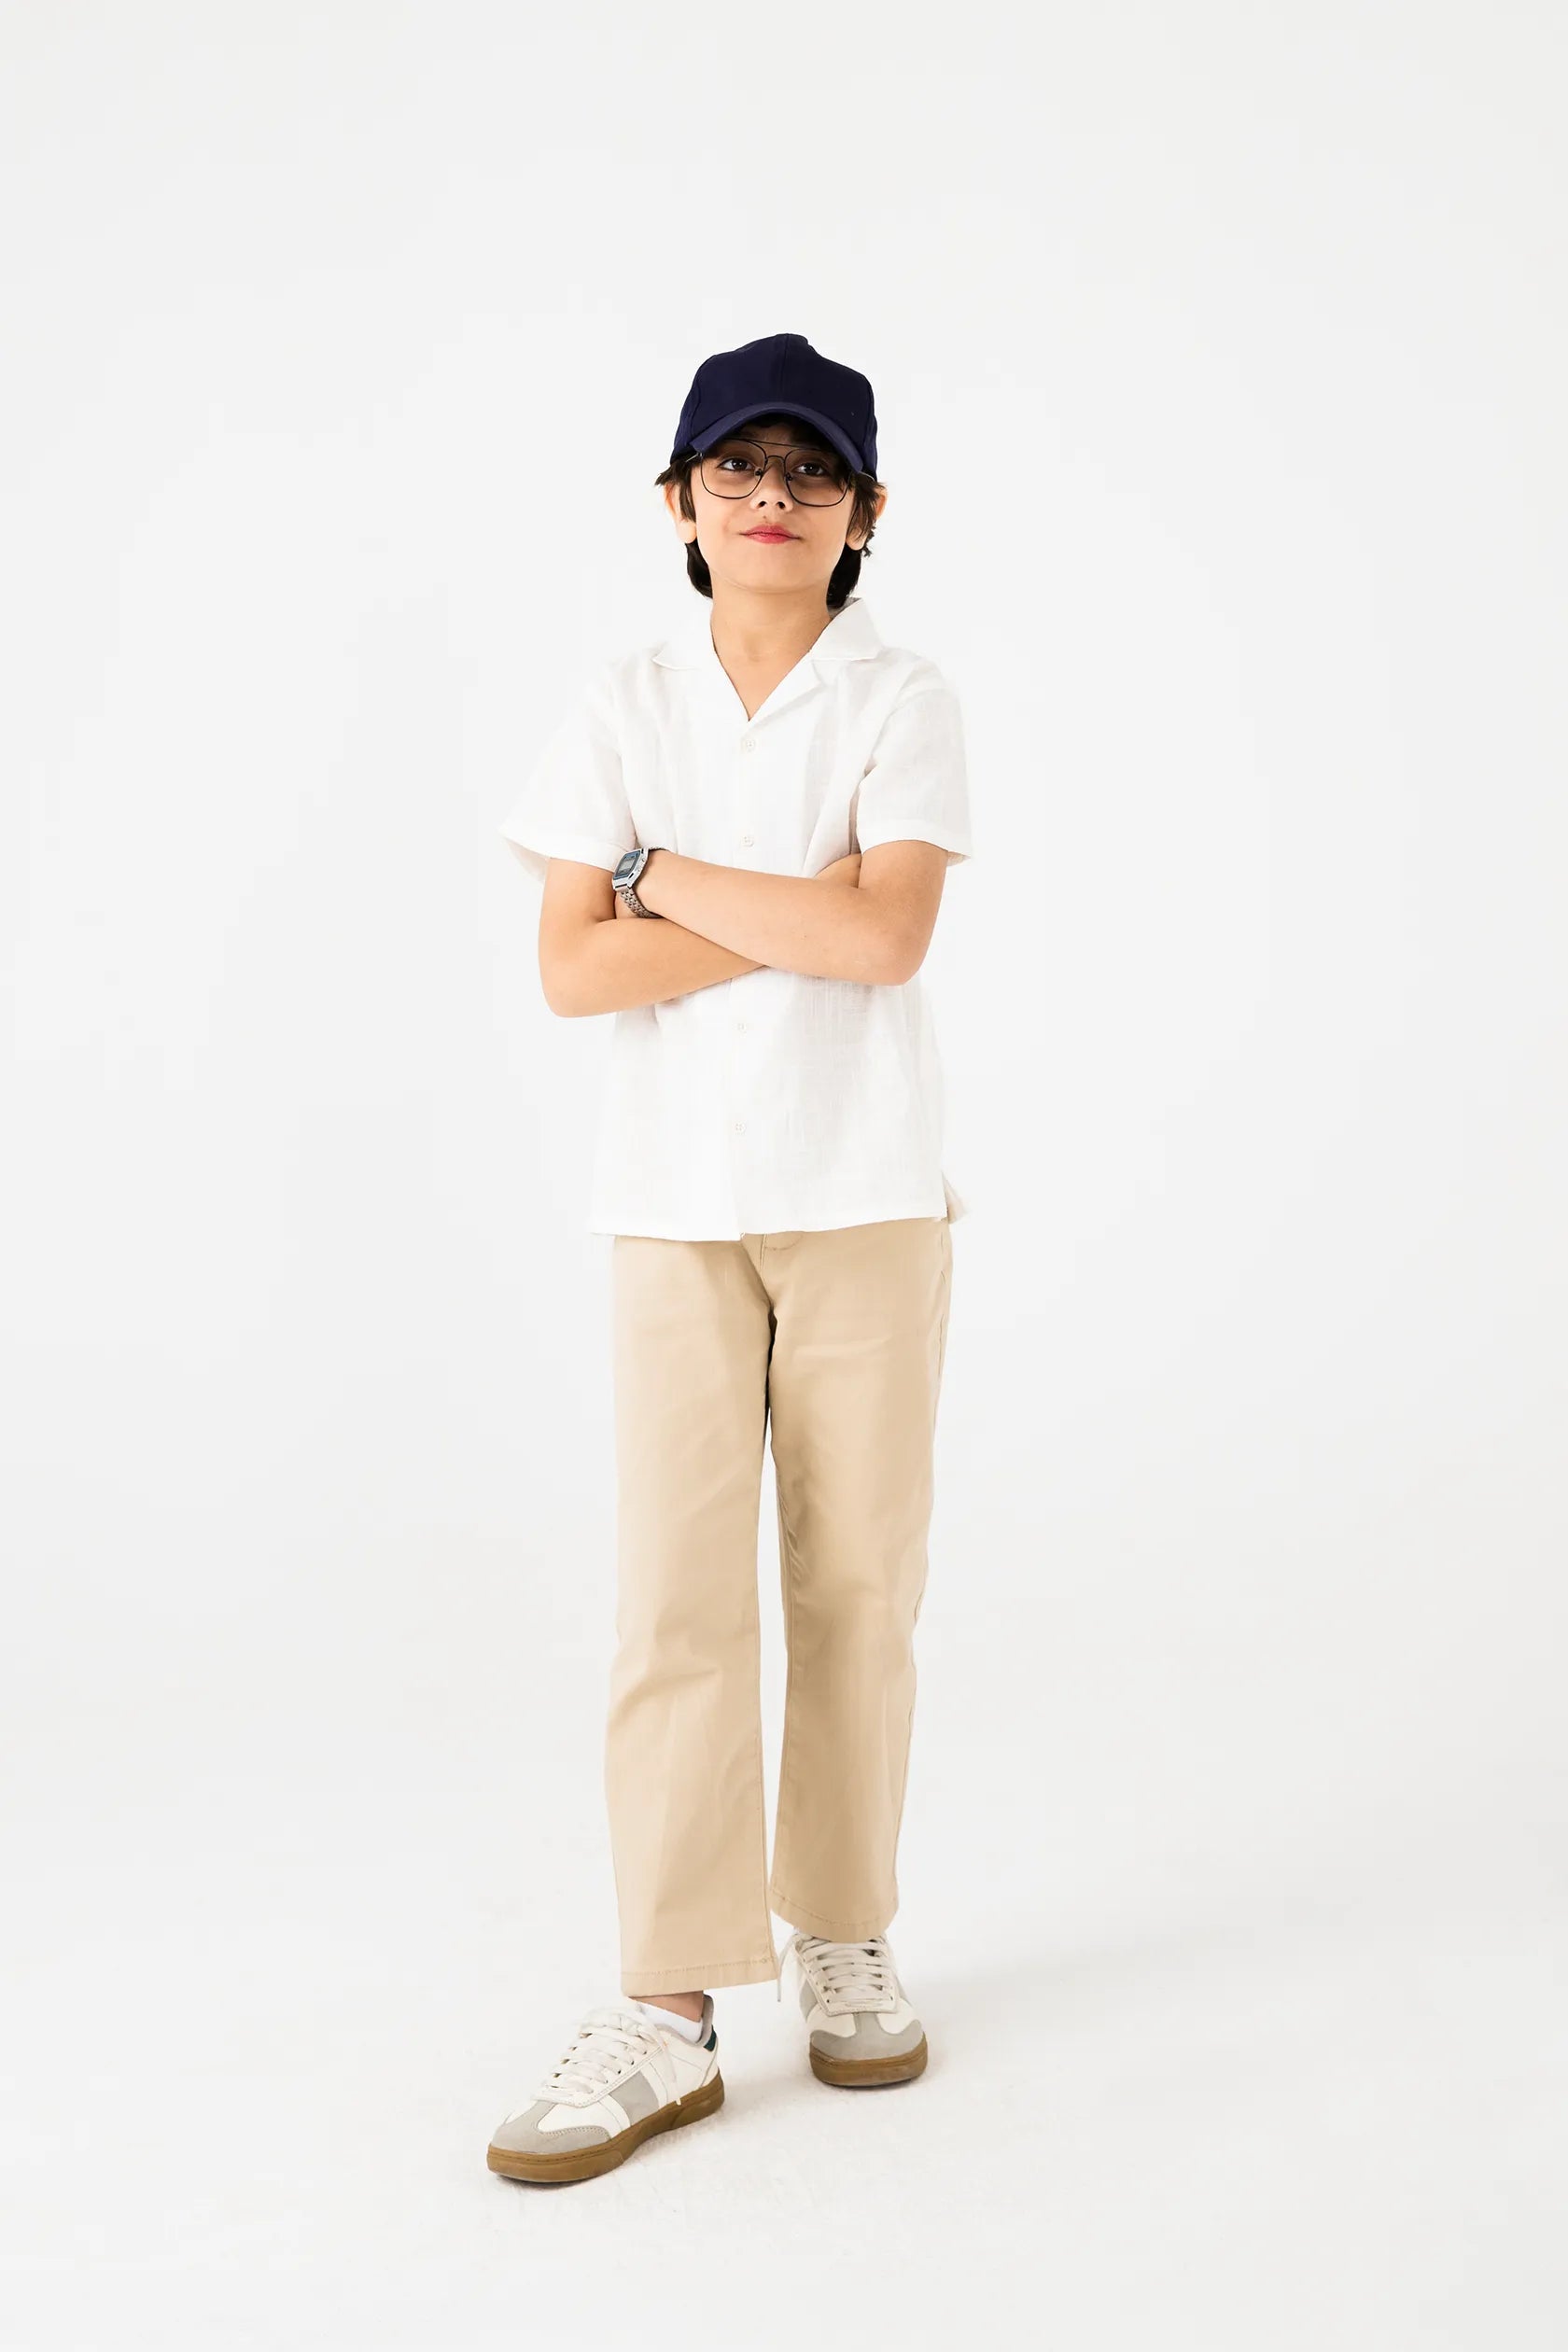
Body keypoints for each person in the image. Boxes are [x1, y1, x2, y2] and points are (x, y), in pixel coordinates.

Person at [486, 333, 974, 2186]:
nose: (774, 496)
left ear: (864, 511)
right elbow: (570, 970)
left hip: (867, 1193)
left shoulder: (901, 698)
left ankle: (843, 1932)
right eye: (739, 467)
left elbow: (888, 943)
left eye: (811, 470)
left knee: (859, 1586)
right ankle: (670, 2005)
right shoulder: (621, 705)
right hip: (673, 1201)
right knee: (673, 1603)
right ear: (681, 500)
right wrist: (795, 906)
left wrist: (661, 876)